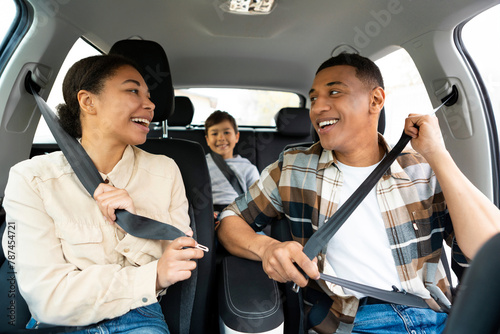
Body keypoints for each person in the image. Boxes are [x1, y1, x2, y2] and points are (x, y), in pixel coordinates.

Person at [217, 53, 500, 333]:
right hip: (354, 322)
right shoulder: (294, 167)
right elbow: (230, 220)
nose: (317, 108)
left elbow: (489, 246)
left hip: (438, 318)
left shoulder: (421, 168)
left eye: (335, 92)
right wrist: (268, 248)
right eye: (313, 98)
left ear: (375, 100)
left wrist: (438, 154)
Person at [2, 55, 204, 333]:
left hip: (141, 317)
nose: (150, 104)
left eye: (149, 95)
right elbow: (47, 300)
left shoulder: (165, 171)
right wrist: (151, 275)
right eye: (133, 90)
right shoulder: (32, 178)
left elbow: (178, 258)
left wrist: (135, 222)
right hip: (62, 325)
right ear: (88, 101)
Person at [204, 110, 259, 213]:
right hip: (208, 215)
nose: (221, 138)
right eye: (215, 133)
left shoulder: (247, 168)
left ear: (236, 137)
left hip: (239, 214)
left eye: (226, 132)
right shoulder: (201, 164)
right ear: (207, 140)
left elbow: (258, 199)